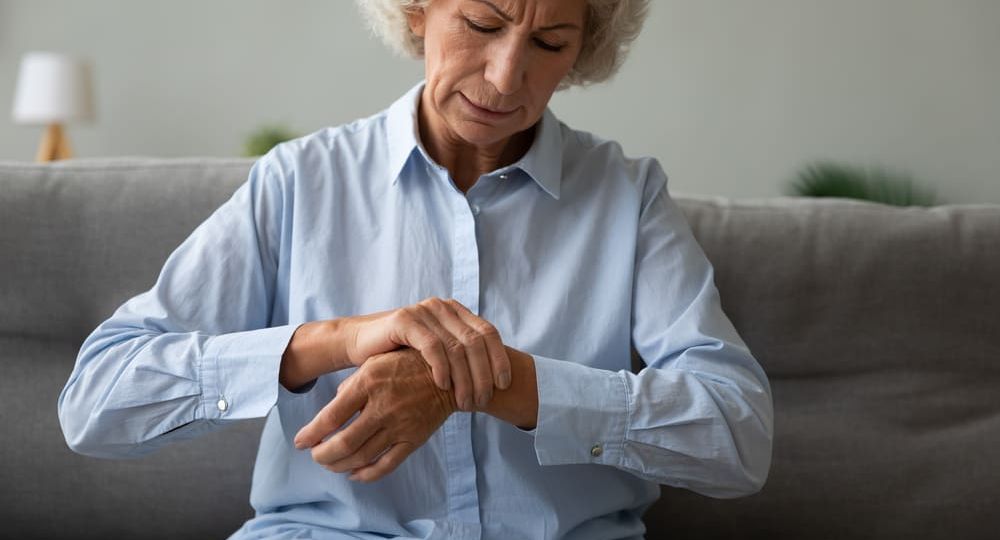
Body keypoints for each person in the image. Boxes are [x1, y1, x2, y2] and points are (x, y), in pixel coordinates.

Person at [58, 0, 773, 538]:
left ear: (582, 52)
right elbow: (97, 401)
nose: (504, 77)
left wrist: (490, 382)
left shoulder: (627, 196)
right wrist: (332, 341)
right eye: (483, 24)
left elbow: (737, 438)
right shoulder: (300, 182)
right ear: (417, 11)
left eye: (549, 43)